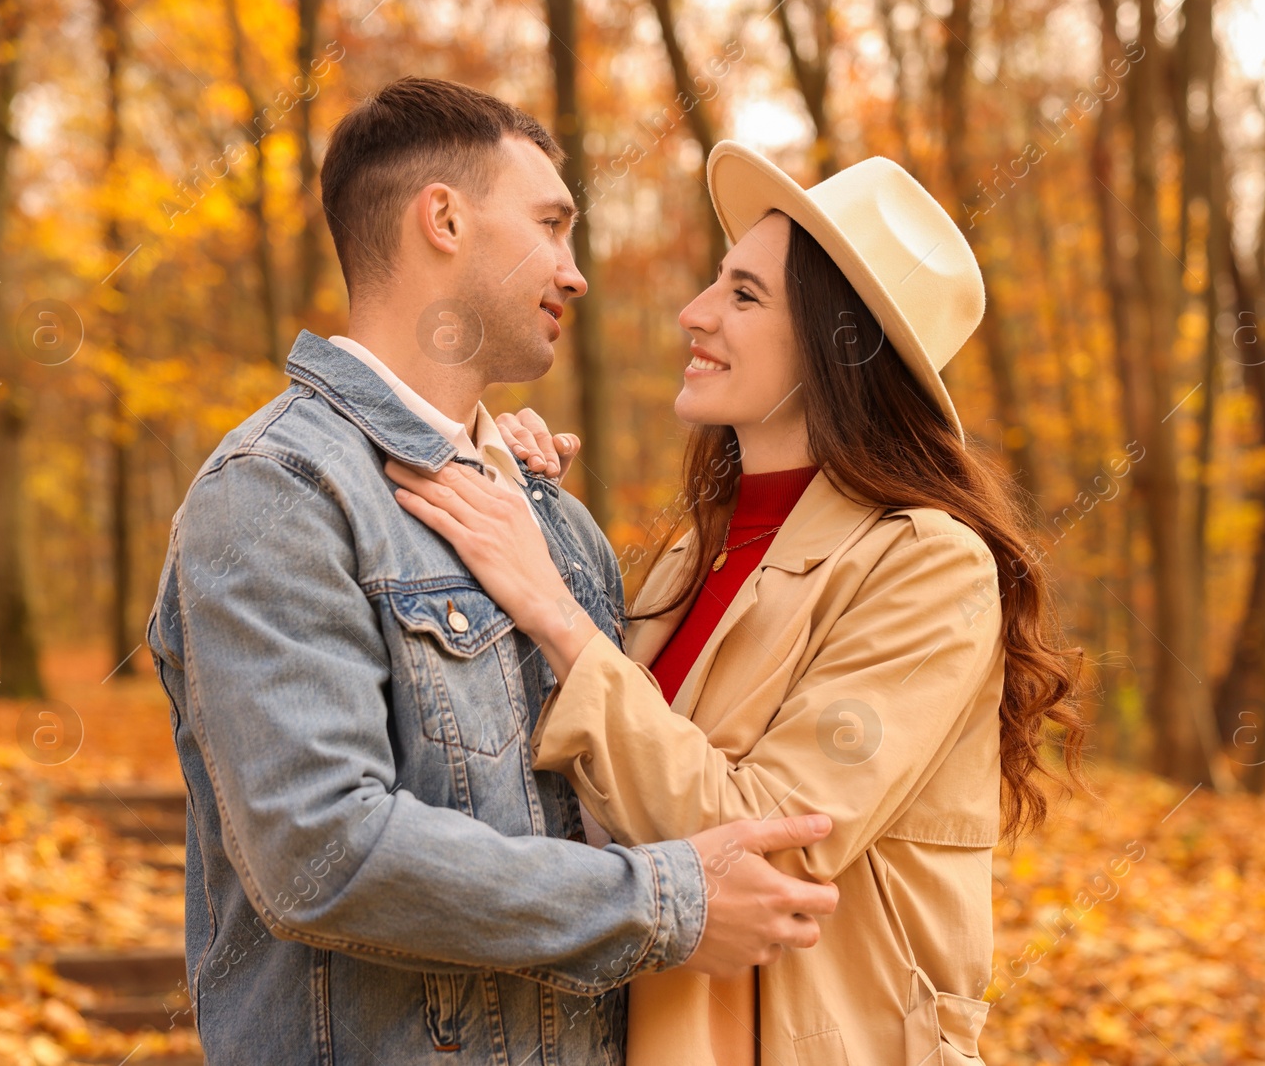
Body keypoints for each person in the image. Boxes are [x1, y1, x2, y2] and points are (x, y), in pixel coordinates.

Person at [146, 80, 840, 1066]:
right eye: (552, 225)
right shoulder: (278, 493)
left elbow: (612, 784)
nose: (577, 271)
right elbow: (320, 851)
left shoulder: (552, 519)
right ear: (444, 218)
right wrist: (665, 901)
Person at [386, 141, 1089, 1065]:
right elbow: (597, 791)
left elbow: (770, 845)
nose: (695, 313)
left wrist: (552, 604)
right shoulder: (696, 551)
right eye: (717, 282)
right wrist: (525, 502)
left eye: (745, 295)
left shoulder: (929, 566)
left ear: (841, 348)